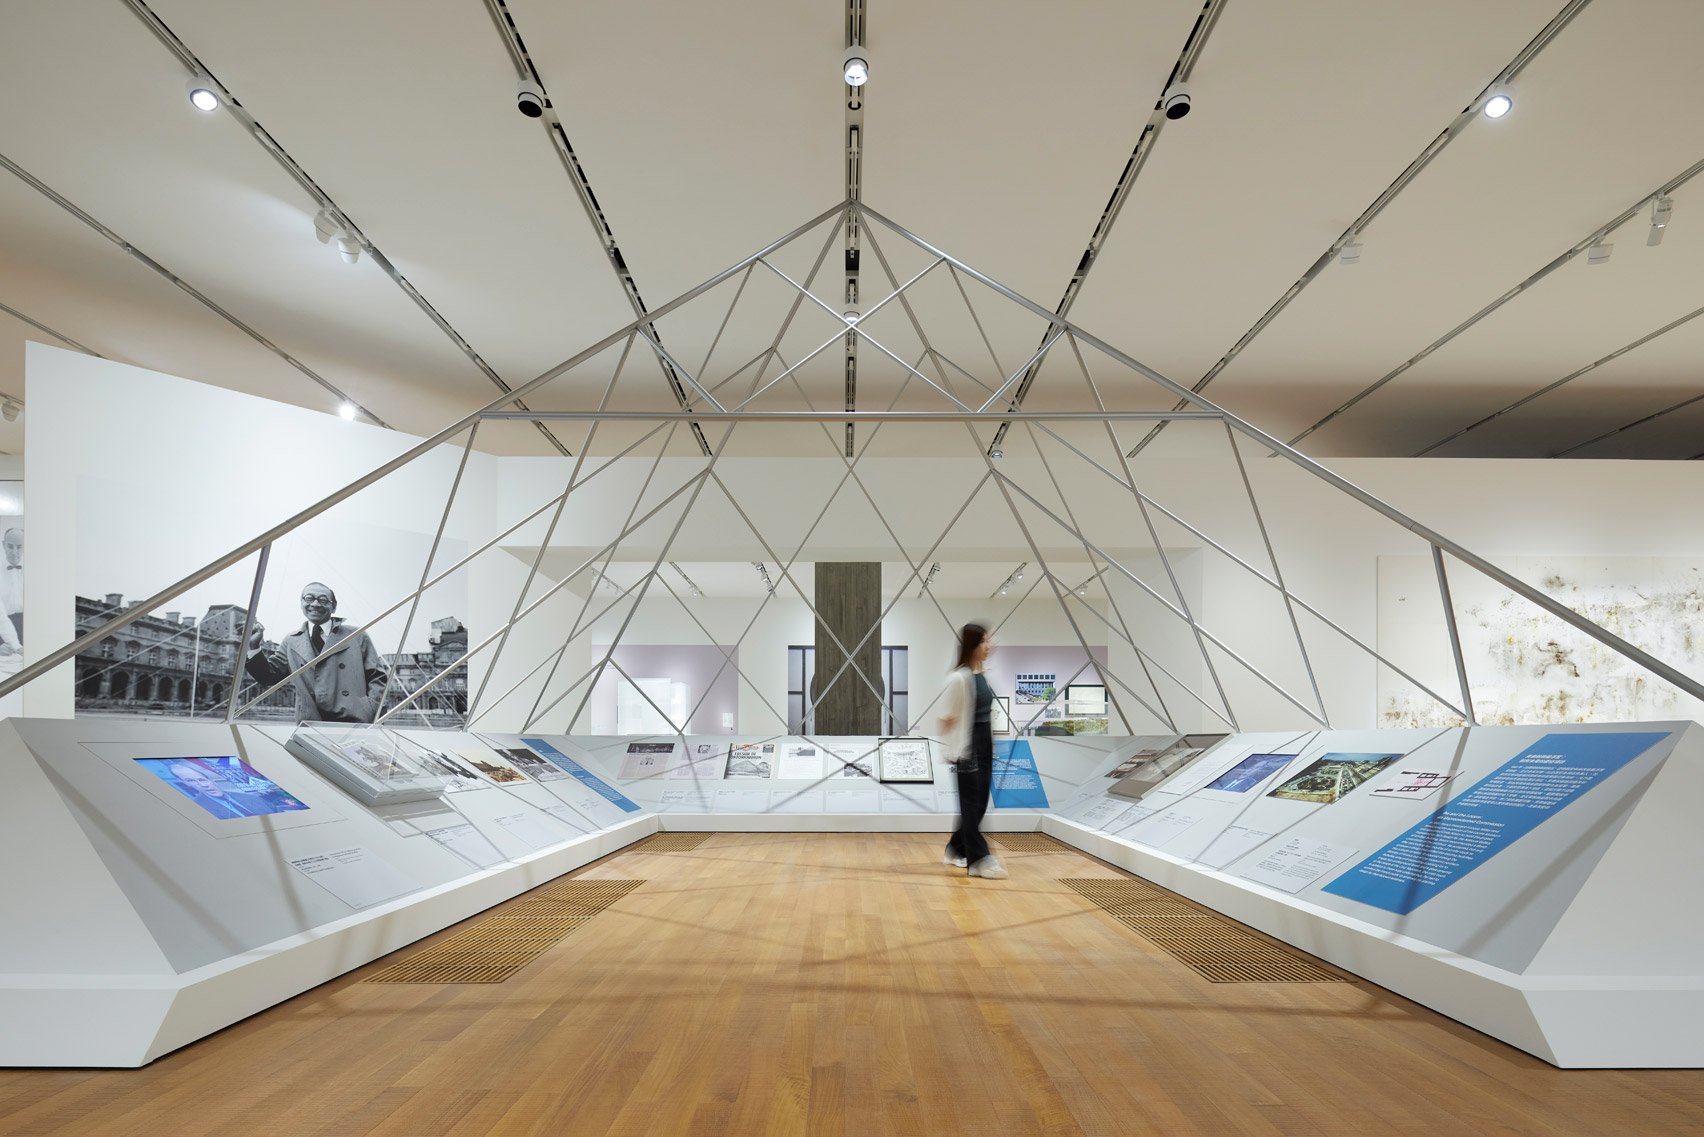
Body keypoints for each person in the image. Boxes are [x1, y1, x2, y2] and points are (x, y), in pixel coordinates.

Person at [245, 581, 388, 723]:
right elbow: (268, 677)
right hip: (310, 723)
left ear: (333, 607)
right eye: (309, 598)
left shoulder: (356, 635)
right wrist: (254, 645)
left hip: (354, 721)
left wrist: (370, 710)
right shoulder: (291, 641)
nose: (315, 604)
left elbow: (377, 677)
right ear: (301, 603)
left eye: (323, 600)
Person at [937, 623, 1006, 879]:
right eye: (984, 642)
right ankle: (979, 859)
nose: (989, 647)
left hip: (984, 742)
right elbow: (947, 718)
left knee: (979, 804)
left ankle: (956, 847)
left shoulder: (981, 676)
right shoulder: (958, 678)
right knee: (970, 803)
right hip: (968, 746)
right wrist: (950, 749)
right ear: (972, 646)